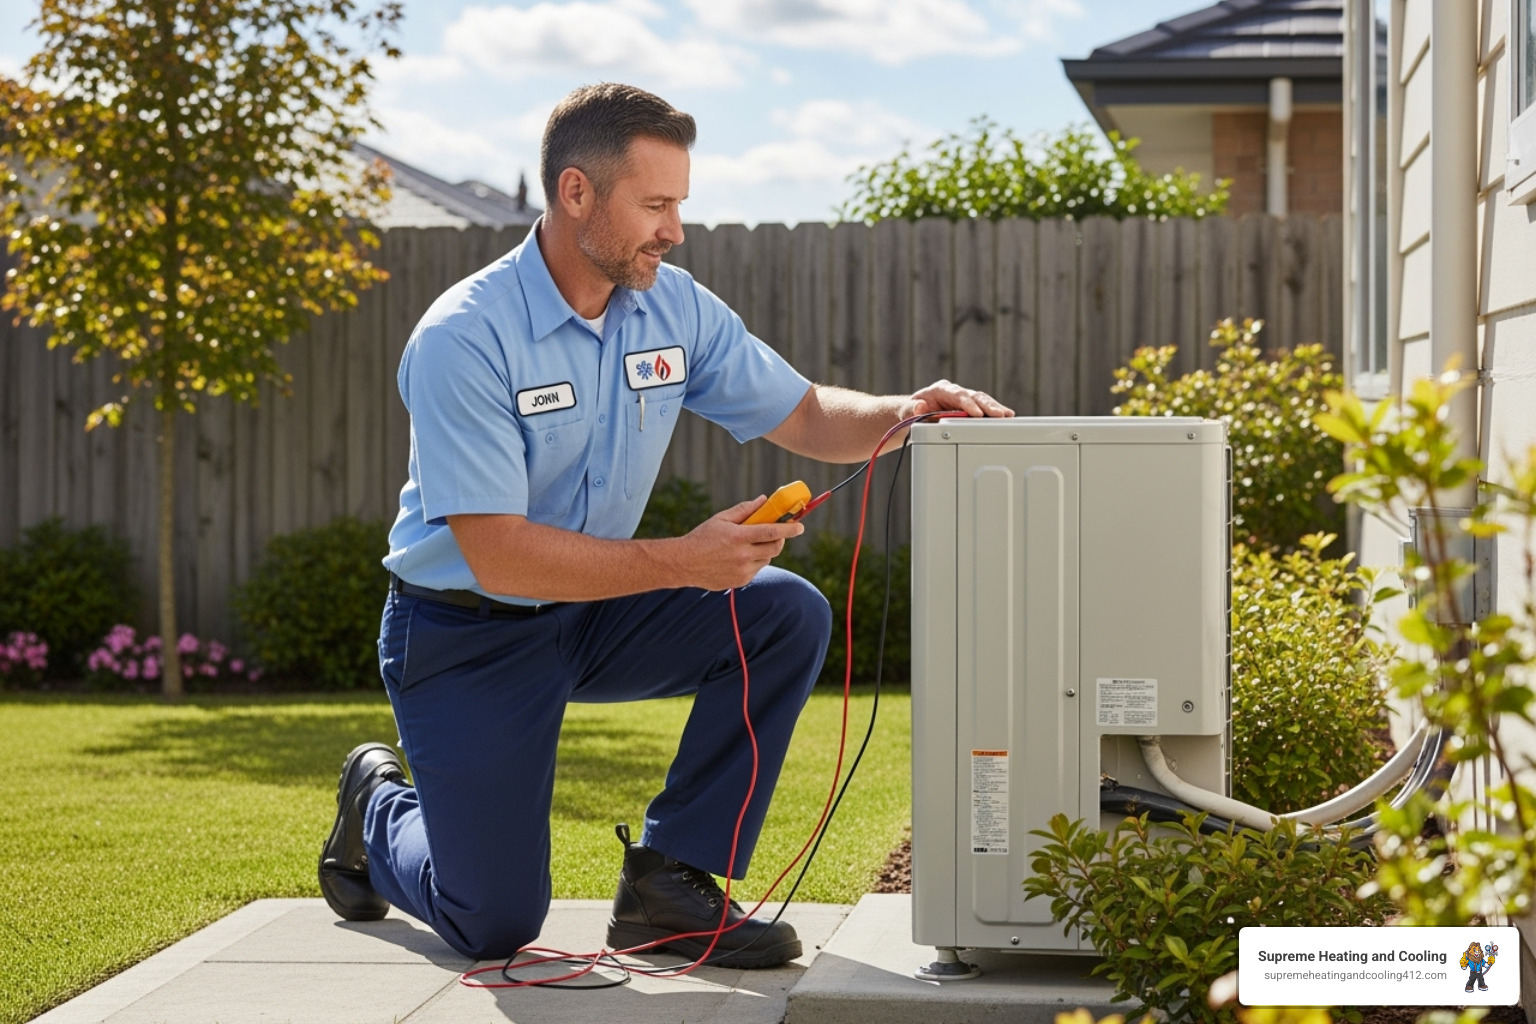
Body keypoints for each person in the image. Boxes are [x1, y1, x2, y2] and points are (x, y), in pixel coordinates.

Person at [318, 82, 1013, 968]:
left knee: (782, 611)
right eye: (655, 204)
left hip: (598, 611)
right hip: (466, 630)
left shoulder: (672, 307)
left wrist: (903, 413)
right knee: (492, 922)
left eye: (678, 203)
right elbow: (495, 553)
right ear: (577, 194)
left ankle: (669, 888)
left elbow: (802, 414)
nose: (674, 229)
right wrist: (685, 561)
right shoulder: (466, 336)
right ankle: (376, 802)